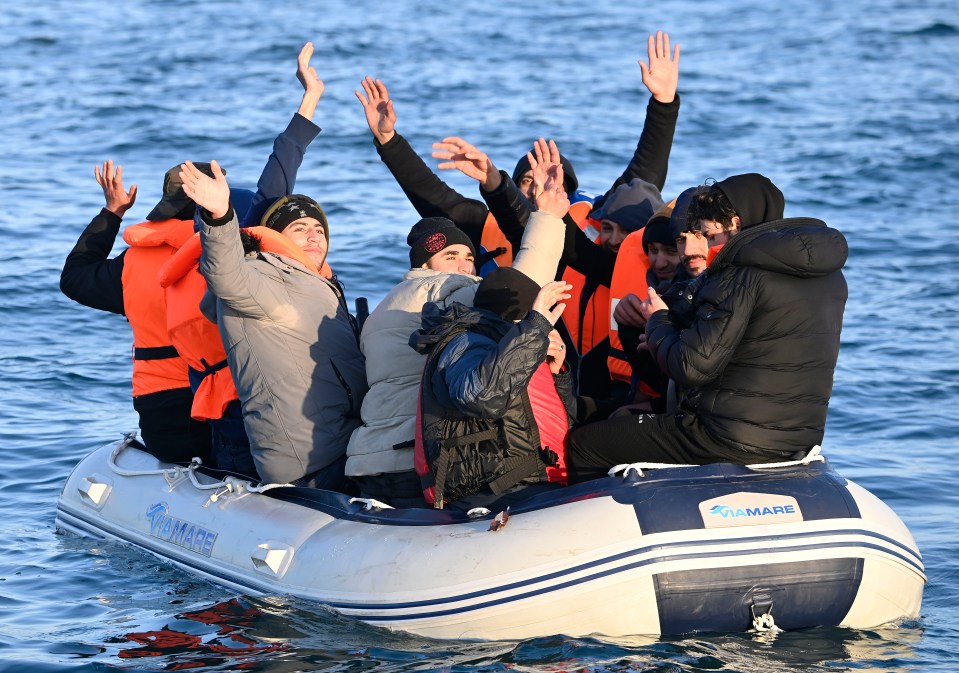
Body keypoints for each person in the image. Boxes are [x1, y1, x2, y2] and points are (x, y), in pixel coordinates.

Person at [565, 173, 849, 482]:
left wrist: (658, 320)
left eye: (710, 236)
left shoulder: (740, 274)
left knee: (584, 444)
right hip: (797, 441)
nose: (705, 249)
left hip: (728, 437)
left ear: (736, 225)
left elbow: (692, 366)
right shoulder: (829, 278)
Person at [346, 148, 570, 506]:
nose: (464, 266)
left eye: (468, 256)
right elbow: (521, 290)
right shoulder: (445, 292)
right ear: (426, 264)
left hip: (367, 462)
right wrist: (547, 217)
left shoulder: (381, 310)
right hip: (416, 462)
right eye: (450, 256)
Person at [355, 30, 680, 273]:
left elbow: (643, 177)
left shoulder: (598, 225)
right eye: (526, 180)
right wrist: (389, 140)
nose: (537, 187)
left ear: (569, 194)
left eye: (552, 182)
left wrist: (663, 104)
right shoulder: (490, 223)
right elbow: (432, 195)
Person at [160, 42, 327, 478]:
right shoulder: (232, 263)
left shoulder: (193, 268)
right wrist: (308, 102)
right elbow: (276, 180)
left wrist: (310, 99)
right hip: (246, 403)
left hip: (220, 398)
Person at [180, 160, 367, 490]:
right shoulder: (262, 276)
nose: (313, 236)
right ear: (274, 237)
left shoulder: (317, 286)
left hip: (344, 445)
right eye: (299, 229)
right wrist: (220, 216)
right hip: (308, 463)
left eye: (319, 230)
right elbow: (226, 275)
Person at [60, 160, 220, 464]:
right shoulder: (230, 252)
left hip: (160, 418)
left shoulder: (132, 262)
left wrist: (113, 212)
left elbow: (74, 279)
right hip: (219, 408)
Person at [410, 272, 575, 509]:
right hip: (494, 490)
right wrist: (535, 326)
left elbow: (552, 426)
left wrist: (556, 373)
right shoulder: (466, 343)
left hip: (533, 481)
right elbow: (480, 395)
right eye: (526, 323)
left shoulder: (513, 349)